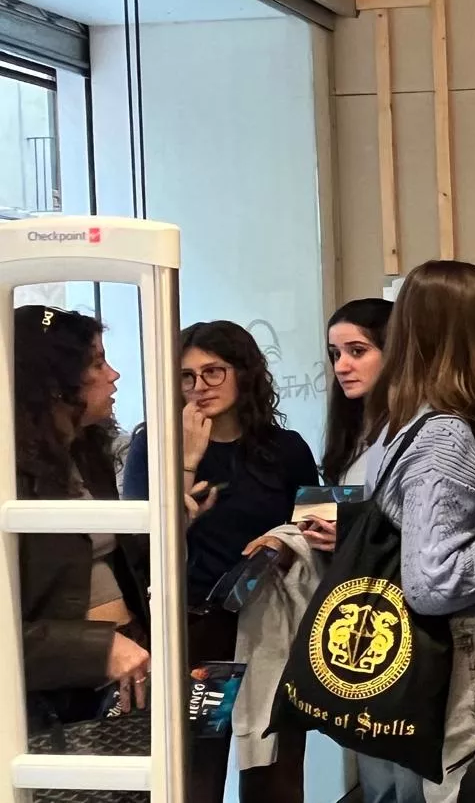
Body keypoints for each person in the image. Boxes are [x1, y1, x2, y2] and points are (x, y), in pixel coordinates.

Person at [122, 319, 319, 803]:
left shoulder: (284, 448)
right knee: (197, 771)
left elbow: (320, 529)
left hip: (272, 627)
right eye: (186, 377)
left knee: (275, 769)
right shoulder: (154, 444)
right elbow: (141, 543)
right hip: (197, 632)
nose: (199, 388)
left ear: (244, 373)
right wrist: (187, 459)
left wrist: (284, 541)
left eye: (214, 372)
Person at [237, 299, 421, 803]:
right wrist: (294, 535)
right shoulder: (353, 434)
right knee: (377, 774)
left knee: (410, 780)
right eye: (335, 352)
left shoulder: (426, 432)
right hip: (357, 629)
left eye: (357, 350)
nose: (342, 365)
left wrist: (358, 532)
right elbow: (328, 511)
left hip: (413, 626)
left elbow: (438, 535)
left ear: (397, 351)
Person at [363, 259, 475, 802]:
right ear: (463, 329)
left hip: (454, 656)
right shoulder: (446, 437)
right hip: (473, 656)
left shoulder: (403, 422)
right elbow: (434, 580)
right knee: (474, 790)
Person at [15, 306, 151, 734]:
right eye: (96, 363)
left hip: (115, 676)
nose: (114, 375)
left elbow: (116, 561)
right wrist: (98, 648)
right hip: (50, 699)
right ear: (53, 384)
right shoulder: (10, 475)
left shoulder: (85, 453)